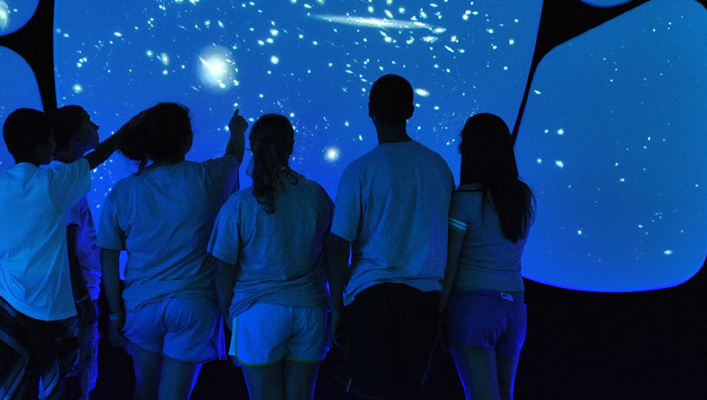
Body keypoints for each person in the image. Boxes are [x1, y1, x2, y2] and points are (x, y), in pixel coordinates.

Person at [0, 108, 123, 400]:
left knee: (9, 392)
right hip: (57, 308)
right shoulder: (53, 182)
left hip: (7, 304)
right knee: (62, 390)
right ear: (43, 146)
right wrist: (128, 130)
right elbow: (95, 160)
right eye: (51, 138)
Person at [98, 103, 247, 400]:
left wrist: (114, 314)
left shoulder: (123, 191)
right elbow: (234, 156)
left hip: (141, 305)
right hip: (194, 304)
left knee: (144, 390)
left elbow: (108, 255)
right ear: (187, 140)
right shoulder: (208, 177)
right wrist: (238, 130)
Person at [327, 74, 455, 400]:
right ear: (411, 110)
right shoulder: (438, 167)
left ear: (371, 110)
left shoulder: (359, 171)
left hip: (371, 300)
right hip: (424, 298)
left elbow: (339, 244)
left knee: (370, 393)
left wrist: (337, 304)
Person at [209, 114, 334, 400]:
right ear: (291, 146)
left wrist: (230, 315)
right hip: (309, 310)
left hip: (256, 313)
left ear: (252, 146)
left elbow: (223, 269)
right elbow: (332, 253)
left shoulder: (239, 203)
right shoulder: (316, 195)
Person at [438, 113, 534, 400]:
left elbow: (450, 267)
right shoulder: (522, 198)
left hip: (473, 307)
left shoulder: (465, 199)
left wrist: (439, 315)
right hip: (515, 309)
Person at [48, 105, 105, 400]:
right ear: (73, 137)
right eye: (88, 122)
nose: (95, 125)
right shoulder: (65, 178)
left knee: (78, 381)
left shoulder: (68, 178)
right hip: (73, 302)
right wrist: (82, 298)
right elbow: (66, 244)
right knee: (73, 384)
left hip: (75, 298)